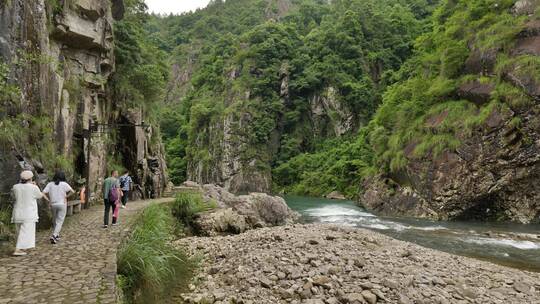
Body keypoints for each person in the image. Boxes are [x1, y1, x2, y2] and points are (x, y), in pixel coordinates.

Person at [11, 170, 47, 256]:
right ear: (30, 178)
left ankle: (21, 248)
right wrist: (35, 185)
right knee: (26, 232)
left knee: (19, 232)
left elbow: (13, 196)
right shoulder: (33, 187)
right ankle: (18, 249)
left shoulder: (15, 187)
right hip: (29, 213)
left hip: (17, 212)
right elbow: (40, 195)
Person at [43, 171, 75, 244]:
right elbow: (72, 191)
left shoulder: (50, 184)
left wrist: (48, 200)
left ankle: (57, 235)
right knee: (60, 221)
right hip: (62, 204)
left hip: (53, 204)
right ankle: (54, 236)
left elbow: (43, 193)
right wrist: (66, 196)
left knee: (55, 220)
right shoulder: (64, 184)